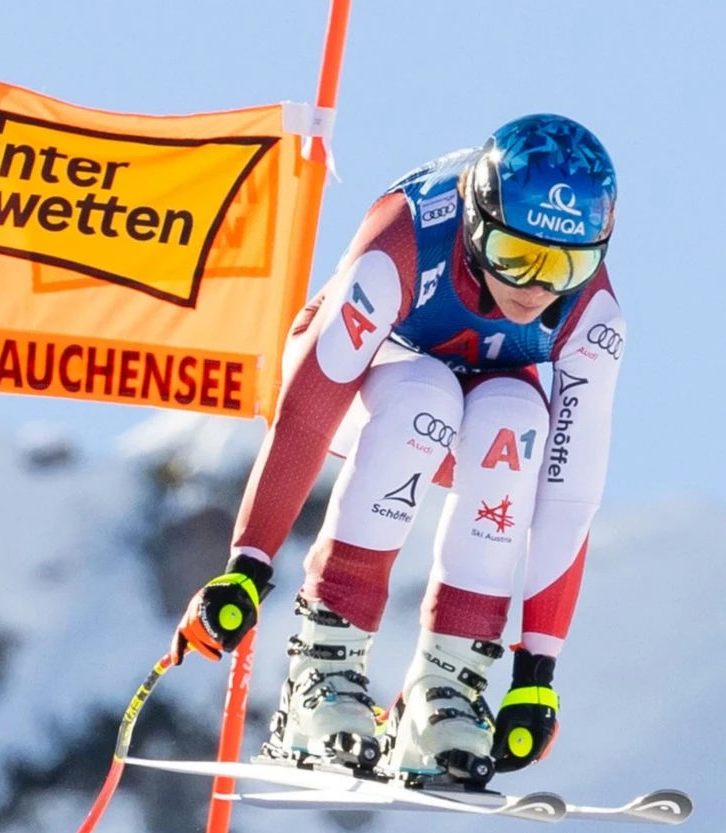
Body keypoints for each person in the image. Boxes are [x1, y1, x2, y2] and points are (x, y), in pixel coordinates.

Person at [171, 113, 623, 786]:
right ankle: (320, 675)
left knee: (517, 417)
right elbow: (306, 414)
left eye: (565, 265)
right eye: (515, 256)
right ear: (475, 224)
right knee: (424, 395)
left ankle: (445, 693)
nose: (535, 287)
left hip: (479, 407)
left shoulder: (593, 314)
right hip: (362, 386)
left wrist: (537, 672)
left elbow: (569, 493)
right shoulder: (405, 240)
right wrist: (249, 564)